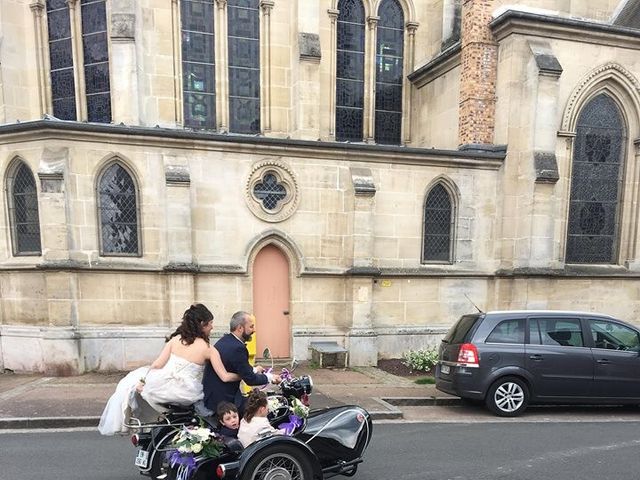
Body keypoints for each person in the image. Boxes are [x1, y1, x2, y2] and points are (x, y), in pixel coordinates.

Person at [98, 304, 239, 435]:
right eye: (210, 323)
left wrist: (144, 380)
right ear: (202, 324)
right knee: (207, 414)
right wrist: (243, 375)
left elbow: (157, 365)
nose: (212, 327)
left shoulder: (175, 340)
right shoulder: (208, 349)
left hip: (162, 384)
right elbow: (225, 376)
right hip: (185, 390)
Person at [203, 311, 281, 414]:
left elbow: (237, 367)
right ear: (240, 328)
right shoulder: (238, 348)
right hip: (224, 400)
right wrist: (270, 378)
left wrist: (254, 369)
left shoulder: (226, 340)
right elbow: (250, 379)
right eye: (251, 327)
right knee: (259, 409)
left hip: (213, 395)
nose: (254, 330)